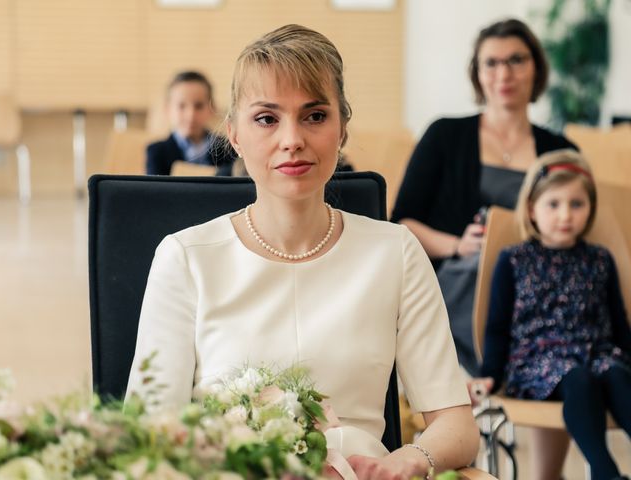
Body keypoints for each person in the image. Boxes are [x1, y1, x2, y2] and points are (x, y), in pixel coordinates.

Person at [127, 24, 479, 479]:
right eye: (267, 119)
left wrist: (410, 459)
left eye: (314, 116)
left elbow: (455, 423)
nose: (292, 139)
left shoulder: (395, 252)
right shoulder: (186, 257)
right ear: (233, 134)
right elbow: (148, 433)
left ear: (342, 129)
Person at [391, 18, 577, 377]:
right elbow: (403, 222)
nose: (503, 74)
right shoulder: (445, 135)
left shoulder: (561, 150)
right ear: (477, 74)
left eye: (516, 60)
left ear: (535, 68)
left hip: (538, 285)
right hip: (462, 279)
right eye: (491, 63)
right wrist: (459, 245)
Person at [471, 150, 631, 480]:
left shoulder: (600, 259)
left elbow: (618, 323)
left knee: (616, 373)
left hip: (595, 353)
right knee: (577, 377)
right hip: (537, 361)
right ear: (532, 208)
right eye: (553, 204)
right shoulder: (514, 260)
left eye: (576, 204)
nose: (565, 215)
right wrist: (490, 374)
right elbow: (498, 326)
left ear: (590, 208)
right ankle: (606, 471)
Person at [146, 70, 236, 176]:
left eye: (199, 106)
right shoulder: (157, 152)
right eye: (182, 106)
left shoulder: (228, 148)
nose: (191, 115)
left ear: (212, 107)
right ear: (168, 109)